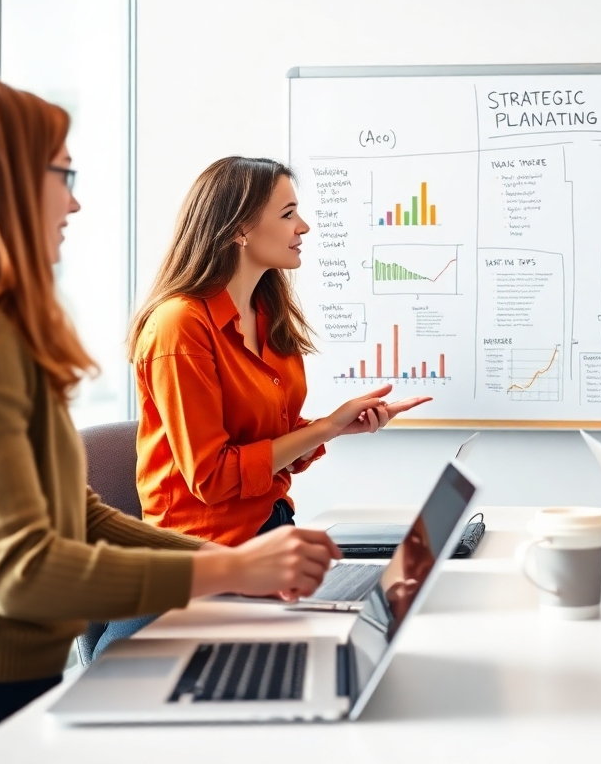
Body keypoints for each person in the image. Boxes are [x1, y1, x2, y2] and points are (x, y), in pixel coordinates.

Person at [0, 77, 340, 746]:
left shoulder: (3, 331)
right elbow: (22, 570)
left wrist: (240, 563)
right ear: (1, 185)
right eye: (62, 174)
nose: (75, 201)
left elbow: (78, 515)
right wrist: (230, 566)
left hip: (25, 676)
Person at [129, 156, 432, 546]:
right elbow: (212, 479)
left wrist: (336, 426)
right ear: (240, 229)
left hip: (271, 525)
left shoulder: (267, 314)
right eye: (288, 214)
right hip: (203, 551)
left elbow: (271, 442)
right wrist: (326, 427)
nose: (303, 227)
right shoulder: (178, 325)